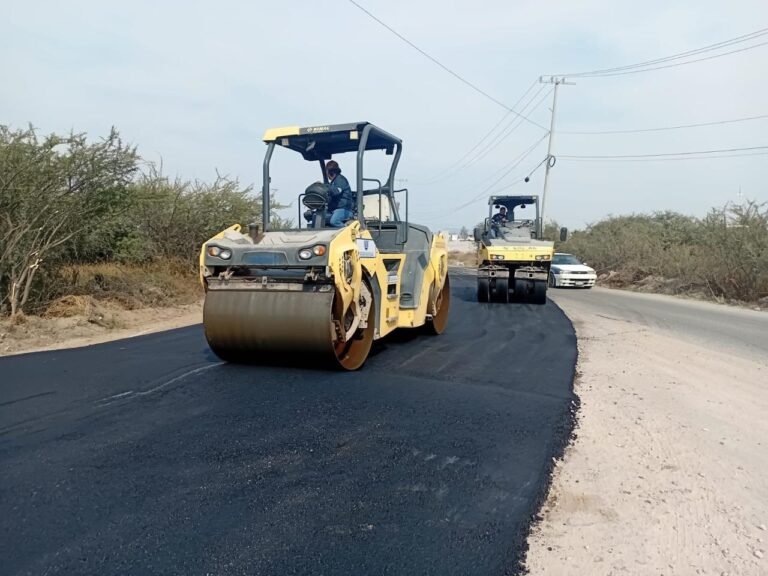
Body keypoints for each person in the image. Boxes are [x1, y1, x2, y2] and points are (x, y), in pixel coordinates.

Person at [325, 160, 355, 227]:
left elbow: (336, 191)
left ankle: (347, 232)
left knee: (334, 221)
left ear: (331, 172)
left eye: (326, 171)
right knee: (319, 218)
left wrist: (325, 187)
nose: (326, 174)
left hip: (344, 209)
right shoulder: (332, 182)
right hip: (334, 209)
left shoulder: (340, 180)